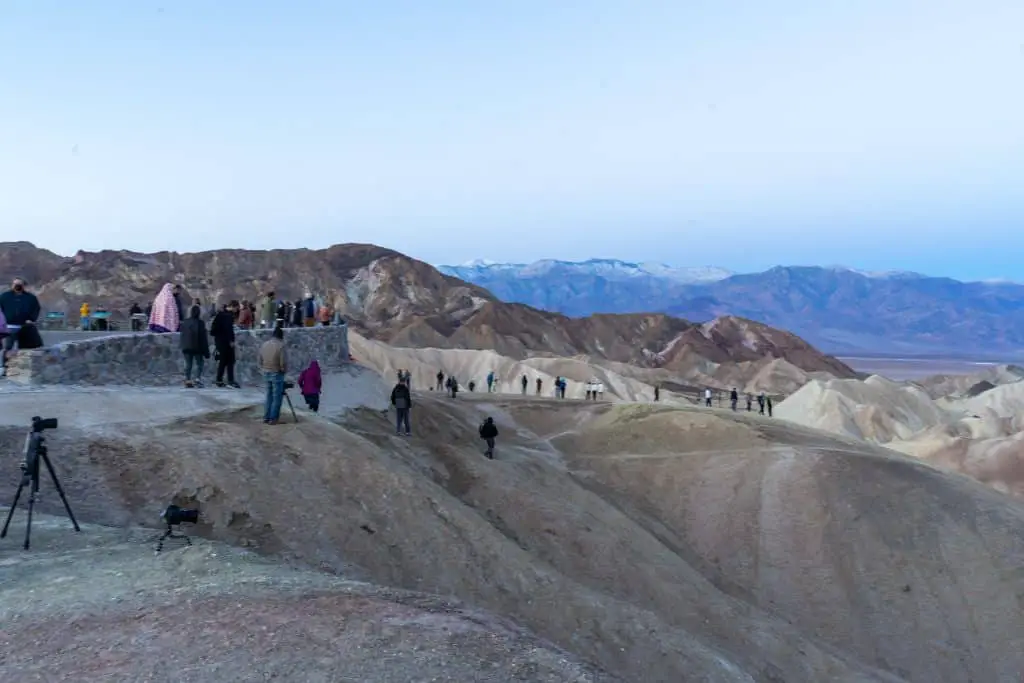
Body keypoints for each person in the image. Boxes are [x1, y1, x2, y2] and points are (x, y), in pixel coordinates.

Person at [0, 278, 42, 373]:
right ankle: (4, 367)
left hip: (24, 326)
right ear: (12, 285)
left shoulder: (30, 298)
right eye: (15, 284)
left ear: (24, 286)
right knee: (8, 347)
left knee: (25, 348)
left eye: (19, 284)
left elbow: (36, 309)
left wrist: (31, 319)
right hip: (8, 326)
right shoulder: (4, 297)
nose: (17, 286)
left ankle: (23, 368)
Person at [259, 326, 288, 424]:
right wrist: (284, 370)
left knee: (268, 395)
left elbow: (260, 359)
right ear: (281, 336)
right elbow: (283, 362)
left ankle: (266, 417)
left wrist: (263, 368)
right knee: (277, 397)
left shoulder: (265, 344)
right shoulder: (281, 345)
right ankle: (273, 418)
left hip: (265, 371)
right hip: (276, 372)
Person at [179, 305, 210, 388]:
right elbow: (203, 338)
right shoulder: (200, 323)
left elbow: (183, 335)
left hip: (187, 347)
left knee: (188, 364)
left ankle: (188, 380)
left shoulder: (185, 322)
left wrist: (182, 346)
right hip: (197, 347)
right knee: (200, 363)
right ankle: (197, 379)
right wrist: (206, 352)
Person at [210, 301, 240, 388]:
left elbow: (213, 330)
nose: (236, 310)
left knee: (222, 362)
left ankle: (219, 380)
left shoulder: (220, 314)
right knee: (230, 361)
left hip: (219, 342)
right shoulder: (228, 316)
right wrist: (231, 341)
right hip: (226, 342)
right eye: (236, 308)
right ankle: (230, 380)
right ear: (233, 307)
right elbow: (228, 330)